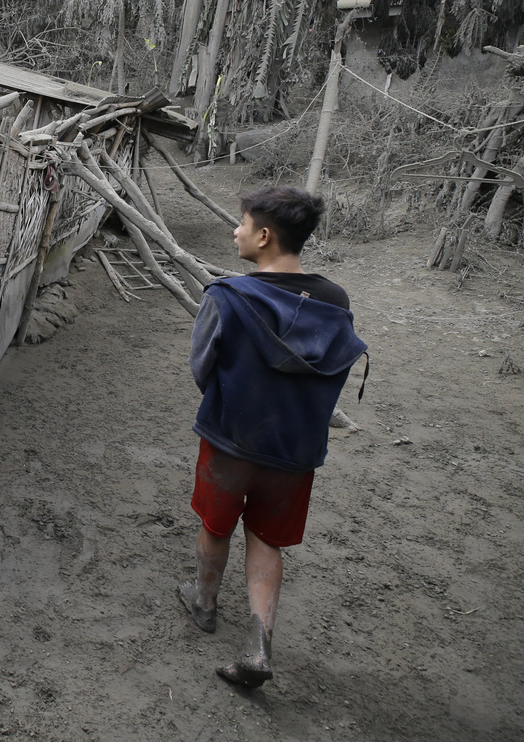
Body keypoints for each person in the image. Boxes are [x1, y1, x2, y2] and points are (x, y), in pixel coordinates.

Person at [178, 186, 367, 688]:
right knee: (266, 539)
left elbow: (202, 366)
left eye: (240, 223)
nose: (233, 231)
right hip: (294, 449)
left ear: (263, 236)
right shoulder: (335, 299)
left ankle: (204, 602)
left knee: (217, 525)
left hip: (230, 437)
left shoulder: (227, 295)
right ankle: (259, 642)